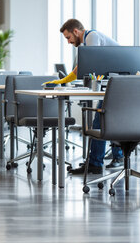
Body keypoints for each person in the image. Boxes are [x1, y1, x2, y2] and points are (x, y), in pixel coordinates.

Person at [47, 18, 124, 174]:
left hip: (120, 83)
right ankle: (105, 159)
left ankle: (102, 161)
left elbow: (93, 64)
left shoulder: (91, 36)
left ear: (76, 31)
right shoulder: (87, 43)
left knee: (101, 120)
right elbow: (80, 68)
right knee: (103, 119)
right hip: (116, 83)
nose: (68, 42)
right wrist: (62, 80)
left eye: (68, 37)